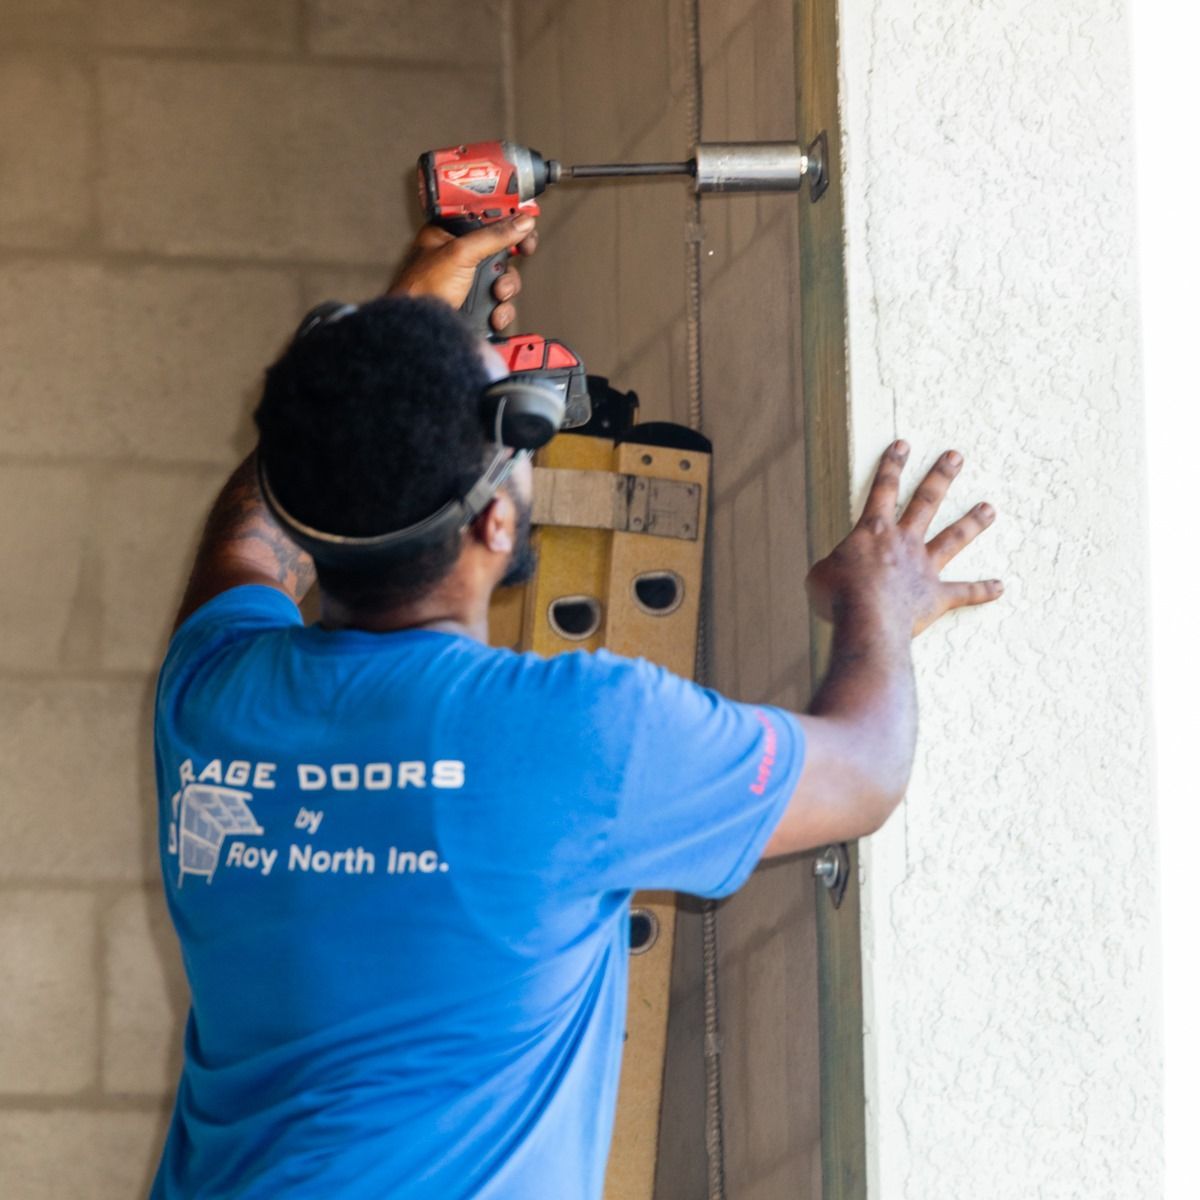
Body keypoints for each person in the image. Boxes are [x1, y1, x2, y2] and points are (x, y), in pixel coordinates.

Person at [150, 216, 1001, 1199]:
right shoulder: (581, 733)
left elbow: (259, 539)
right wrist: (878, 605)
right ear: (499, 517)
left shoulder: (215, 698)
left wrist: (402, 328)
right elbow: (863, 769)